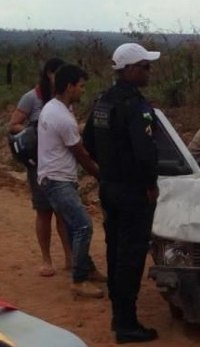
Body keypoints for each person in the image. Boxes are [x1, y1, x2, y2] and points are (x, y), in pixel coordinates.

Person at [82, 43, 160, 344]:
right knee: (131, 256)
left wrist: (111, 166)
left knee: (115, 252)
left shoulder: (103, 101)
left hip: (109, 188)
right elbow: (145, 153)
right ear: (129, 69)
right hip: (132, 193)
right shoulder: (135, 106)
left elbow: (88, 140)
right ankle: (127, 325)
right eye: (145, 66)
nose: (148, 71)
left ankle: (119, 317)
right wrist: (150, 184)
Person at [37, 64, 105, 299]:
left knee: (73, 224)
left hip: (53, 176)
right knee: (84, 225)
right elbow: (81, 154)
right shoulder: (61, 116)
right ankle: (79, 279)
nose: (83, 90)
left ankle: (88, 269)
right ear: (69, 86)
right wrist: (101, 175)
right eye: (81, 86)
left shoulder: (55, 108)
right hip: (57, 179)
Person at [8, 57, 72, 277]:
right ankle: (46, 260)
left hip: (61, 162)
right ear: (49, 74)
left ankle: (69, 258)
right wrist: (34, 133)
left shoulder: (65, 98)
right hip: (39, 164)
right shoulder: (31, 97)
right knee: (44, 212)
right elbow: (13, 125)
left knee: (63, 213)